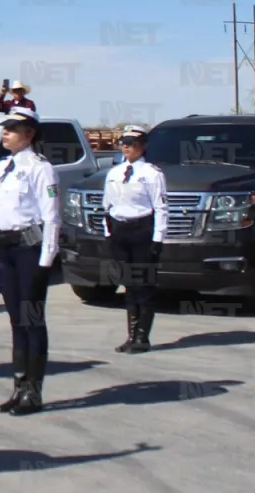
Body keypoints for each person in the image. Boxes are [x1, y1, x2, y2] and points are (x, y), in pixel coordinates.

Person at [0, 108, 60, 416]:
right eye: (5, 127)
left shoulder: (40, 168)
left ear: (29, 133)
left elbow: (52, 216)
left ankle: (34, 391)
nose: (5, 132)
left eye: (12, 128)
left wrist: (46, 259)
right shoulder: (1, 168)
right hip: (6, 250)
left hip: (31, 250)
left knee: (32, 320)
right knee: (16, 321)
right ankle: (19, 386)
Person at [103, 125, 168, 354]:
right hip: (120, 231)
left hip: (142, 230)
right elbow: (107, 206)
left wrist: (157, 239)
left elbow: (160, 208)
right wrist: (108, 234)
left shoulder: (151, 173)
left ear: (143, 146)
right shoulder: (114, 173)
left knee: (144, 286)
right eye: (124, 143)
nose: (127, 147)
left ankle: (143, 337)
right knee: (129, 286)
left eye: (132, 143)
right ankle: (131, 335)